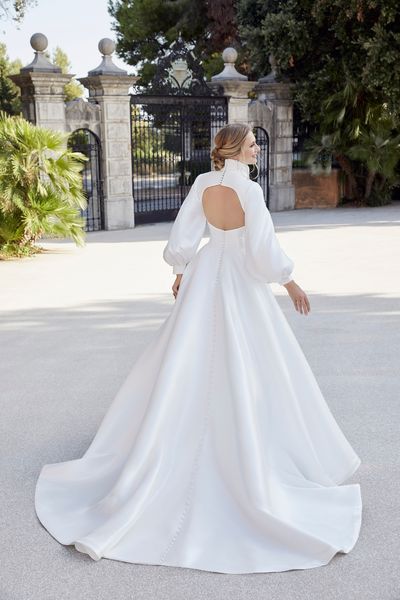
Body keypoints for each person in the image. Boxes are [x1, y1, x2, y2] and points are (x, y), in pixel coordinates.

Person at [34, 123, 362, 574]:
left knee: (184, 358)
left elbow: (185, 231)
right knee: (252, 365)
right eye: (251, 145)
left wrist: (183, 269)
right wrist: (290, 281)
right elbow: (263, 250)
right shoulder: (249, 192)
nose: (255, 151)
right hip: (241, 280)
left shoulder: (204, 183)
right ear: (234, 149)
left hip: (208, 270)